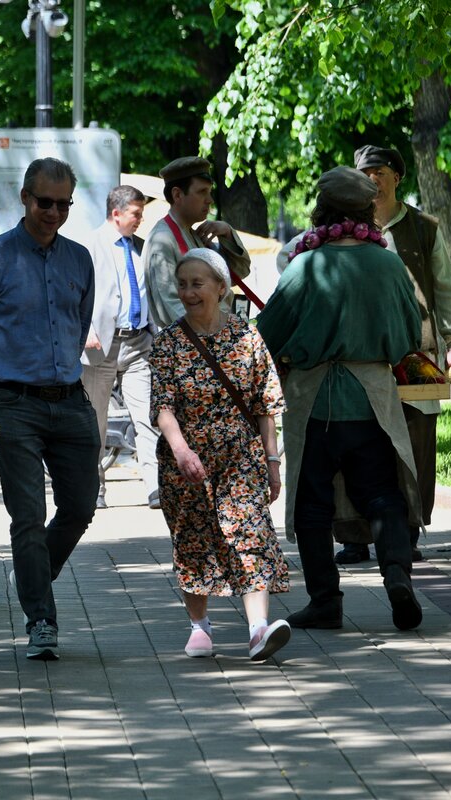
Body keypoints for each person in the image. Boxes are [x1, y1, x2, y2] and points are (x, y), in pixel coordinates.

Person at [258, 167, 423, 632]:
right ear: (367, 209)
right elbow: (409, 334)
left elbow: (266, 335)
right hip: (372, 401)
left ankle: (326, 602)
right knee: (381, 494)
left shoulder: (306, 265)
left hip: (313, 404)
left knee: (312, 504)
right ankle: (395, 576)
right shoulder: (388, 263)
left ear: (322, 210)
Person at [0, 157, 98, 661]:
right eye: (46, 202)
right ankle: (41, 618)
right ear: (25, 198)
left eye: (64, 204)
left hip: (70, 400)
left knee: (82, 508)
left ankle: (32, 573)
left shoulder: (79, 258)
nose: (55, 212)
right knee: (28, 516)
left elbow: (79, 322)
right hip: (14, 403)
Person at [328, 145, 451, 565]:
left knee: (415, 445)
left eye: (379, 171)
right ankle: (354, 535)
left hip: (416, 354)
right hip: (357, 354)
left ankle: (406, 533)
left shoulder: (424, 227)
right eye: (363, 173)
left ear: (397, 177)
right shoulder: (341, 226)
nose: (371, 179)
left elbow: (446, 289)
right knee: (352, 441)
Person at [150, 247, 292, 660]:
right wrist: (181, 451)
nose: (188, 292)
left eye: (197, 283)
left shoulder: (248, 337)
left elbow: (267, 405)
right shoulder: (168, 344)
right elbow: (163, 406)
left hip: (240, 458)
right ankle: (200, 627)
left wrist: (272, 462)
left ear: (220, 287)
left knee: (251, 534)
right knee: (193, 538)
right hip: (186, 462)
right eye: (182, 284)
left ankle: (258, 630)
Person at [82, 185, 161, 510]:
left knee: (147, 417)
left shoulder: (141, 247)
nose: (140, 219)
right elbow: (76, 292)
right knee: (95, 420)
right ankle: (94, 490)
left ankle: (156, 487)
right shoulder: (90, 245)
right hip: (101, 344)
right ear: (117, 213)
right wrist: (84, 329)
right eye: (136, 214)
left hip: (139, 342)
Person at [142, 157, 251, 329]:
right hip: (190, 348)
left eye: (209, 192)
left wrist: (227, 234)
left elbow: (239, 273)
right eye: (202, 192)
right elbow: (172, 308)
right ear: (177, 195)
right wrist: (215, 337)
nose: (210, 200)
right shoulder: (162, 241)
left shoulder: (196, 235)